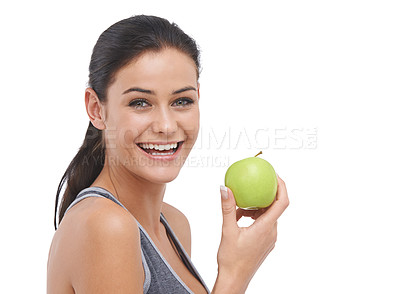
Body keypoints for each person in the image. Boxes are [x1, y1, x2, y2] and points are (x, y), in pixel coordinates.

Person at [47, 15, 289, 294]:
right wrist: (235, 274)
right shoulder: (106, 227)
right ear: (96, 109)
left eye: (182, 101)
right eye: (140, 103)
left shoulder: (174, 224)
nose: (166, 125)